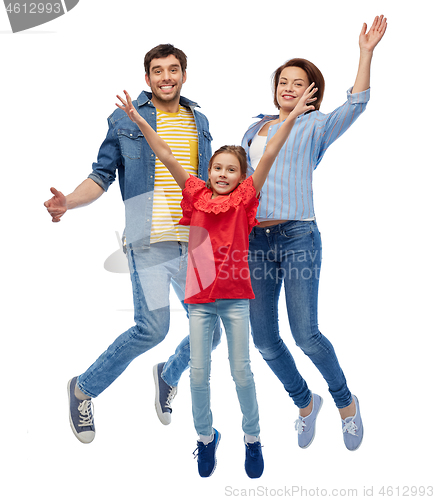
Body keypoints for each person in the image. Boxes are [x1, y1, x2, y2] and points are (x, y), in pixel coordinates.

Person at [155, 15, 387, 453]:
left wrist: (365, 53)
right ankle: (304, 404)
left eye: (298, 83)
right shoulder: (253, 128)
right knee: (264, 340)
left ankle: (345, 404)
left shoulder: (315, 126)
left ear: (311, 92)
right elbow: (231, 180)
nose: (288, 88)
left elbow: (356, 104)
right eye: (283, 81)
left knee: (306, 335)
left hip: (298, 236)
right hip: (252, 244)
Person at [116, 81, 318, 477]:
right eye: (217, 168)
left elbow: (271, 152)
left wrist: (291, 117)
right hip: (199, 301)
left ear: (241, 176)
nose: (223, 174)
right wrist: (139, 119)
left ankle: (253, 438)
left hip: (235, 299)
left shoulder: (245, 199)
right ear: (208, 171)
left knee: (241, 369)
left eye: (231, 170)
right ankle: (206, 439)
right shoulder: (194, 193)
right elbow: (166, 155)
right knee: (199, 374)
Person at [43, 44, 221, 444]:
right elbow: (101, 176)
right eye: (157, 71)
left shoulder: (200, 120)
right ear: (147, 79)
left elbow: (208, 184)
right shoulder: (126, 121)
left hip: (196, 242)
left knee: (212, 332)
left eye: (173, 70)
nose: (166, 78)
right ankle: (83, 389)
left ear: (184, 75)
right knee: (152, 329)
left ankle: (167, 374)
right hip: (150, 240)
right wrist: (68, 202)